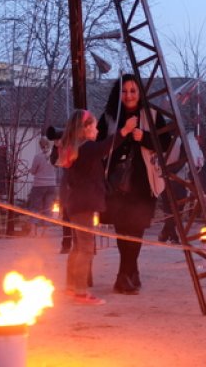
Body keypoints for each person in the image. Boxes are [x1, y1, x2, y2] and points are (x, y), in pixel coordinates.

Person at [58, 108, 138, 306]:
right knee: (86, 248)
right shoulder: (86, 148)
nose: (97, 130)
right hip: (84, 204)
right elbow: (106, 147)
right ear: (85, 128)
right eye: (94, 126)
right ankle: (81, 292)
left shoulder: (77, 149)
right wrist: (125, 131)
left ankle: (71, 287)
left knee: (78, 247)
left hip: (76, 203)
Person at [98, 74, 169, 295]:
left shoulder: (152, 115)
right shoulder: (109, 118)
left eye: (133, 91)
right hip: (116, 185)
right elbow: (99, 147)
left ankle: (126, 274)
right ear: (118, 93)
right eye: (124, 91)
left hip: (142, 183)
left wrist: (145, 137)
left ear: (140, 93)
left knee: (136, 231)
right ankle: (127, 274)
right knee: (122, 232)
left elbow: (165, 143)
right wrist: (123, 134)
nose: (128, 95)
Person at [27, 138, 58, 231]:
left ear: (40, 146)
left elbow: (33, 171)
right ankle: (45, 233)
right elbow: (57, 166)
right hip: (51, 185)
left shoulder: (38, 157)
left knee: (35, 207)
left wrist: (30, 170)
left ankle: (33, 231)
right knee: (47, 208)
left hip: (39, 185)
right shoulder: (54, 156)